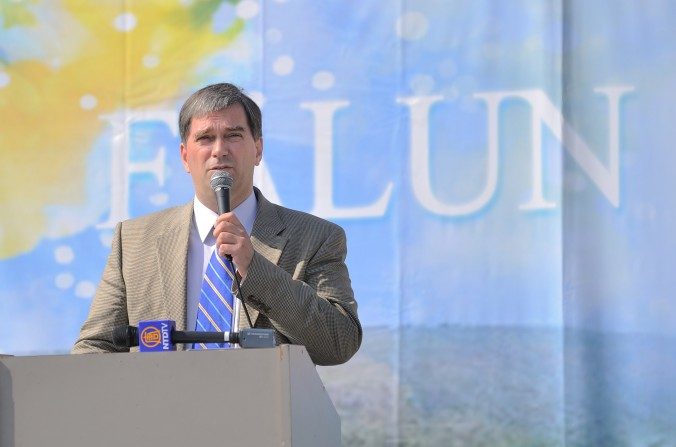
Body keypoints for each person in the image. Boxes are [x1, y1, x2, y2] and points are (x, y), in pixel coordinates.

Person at [72, 83, 362, 366]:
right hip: (161, 411)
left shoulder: (315, 238)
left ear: (258, 149)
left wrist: (253, 267)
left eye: (233, 135)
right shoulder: (135, 241)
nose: (219, 149)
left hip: (262, 411)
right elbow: (95, 347)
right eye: (206, 138)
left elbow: (339, 343)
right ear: (185, 156)